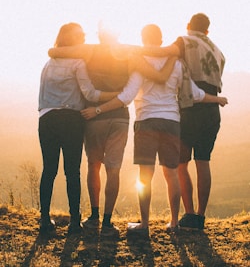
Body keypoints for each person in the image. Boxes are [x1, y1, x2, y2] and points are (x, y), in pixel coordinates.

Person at [81, 24, 228, 235]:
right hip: (172, 122)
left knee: (145, 175)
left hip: (146, 121)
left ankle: (144, 225)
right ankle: (175, 223)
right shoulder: (177, 63)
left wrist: (98, 109)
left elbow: (127, 96)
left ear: (143, 39)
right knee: (172, 174)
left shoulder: (140, 62)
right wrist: (217, 99)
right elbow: (194, 94)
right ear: (161, 40)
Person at [48, 26, 177, 237]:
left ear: (99, 34)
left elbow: (55, 52)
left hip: (93, 116)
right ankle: (107, 223)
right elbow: (158, 64)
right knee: (113, 169)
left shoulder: (89, 50)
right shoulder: (129, 52)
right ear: (117, 34)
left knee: (93, 165)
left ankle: (94, 217)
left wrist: (53, 51)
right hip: (119, 117)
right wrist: (173, 52)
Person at [38, 23, 119, 235]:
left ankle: (45, 221)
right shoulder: (78, 62)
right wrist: (115, 95)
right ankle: (74, 223)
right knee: (72, 172)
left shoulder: (48, 63)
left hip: (46, 119)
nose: (83, 37)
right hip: (71, 119)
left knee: (49, 170)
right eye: (80, 35)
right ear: (72, 39)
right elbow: (90, 94)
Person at [157, 13, 226, 230]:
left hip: (189, 109)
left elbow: (165, 53)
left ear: (188, 26)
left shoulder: (184, 41)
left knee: (181, 163)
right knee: (203, 161)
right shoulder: (217, 51)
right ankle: (201, 216)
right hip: (212, 110)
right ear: (207, 30)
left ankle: (188, 214)